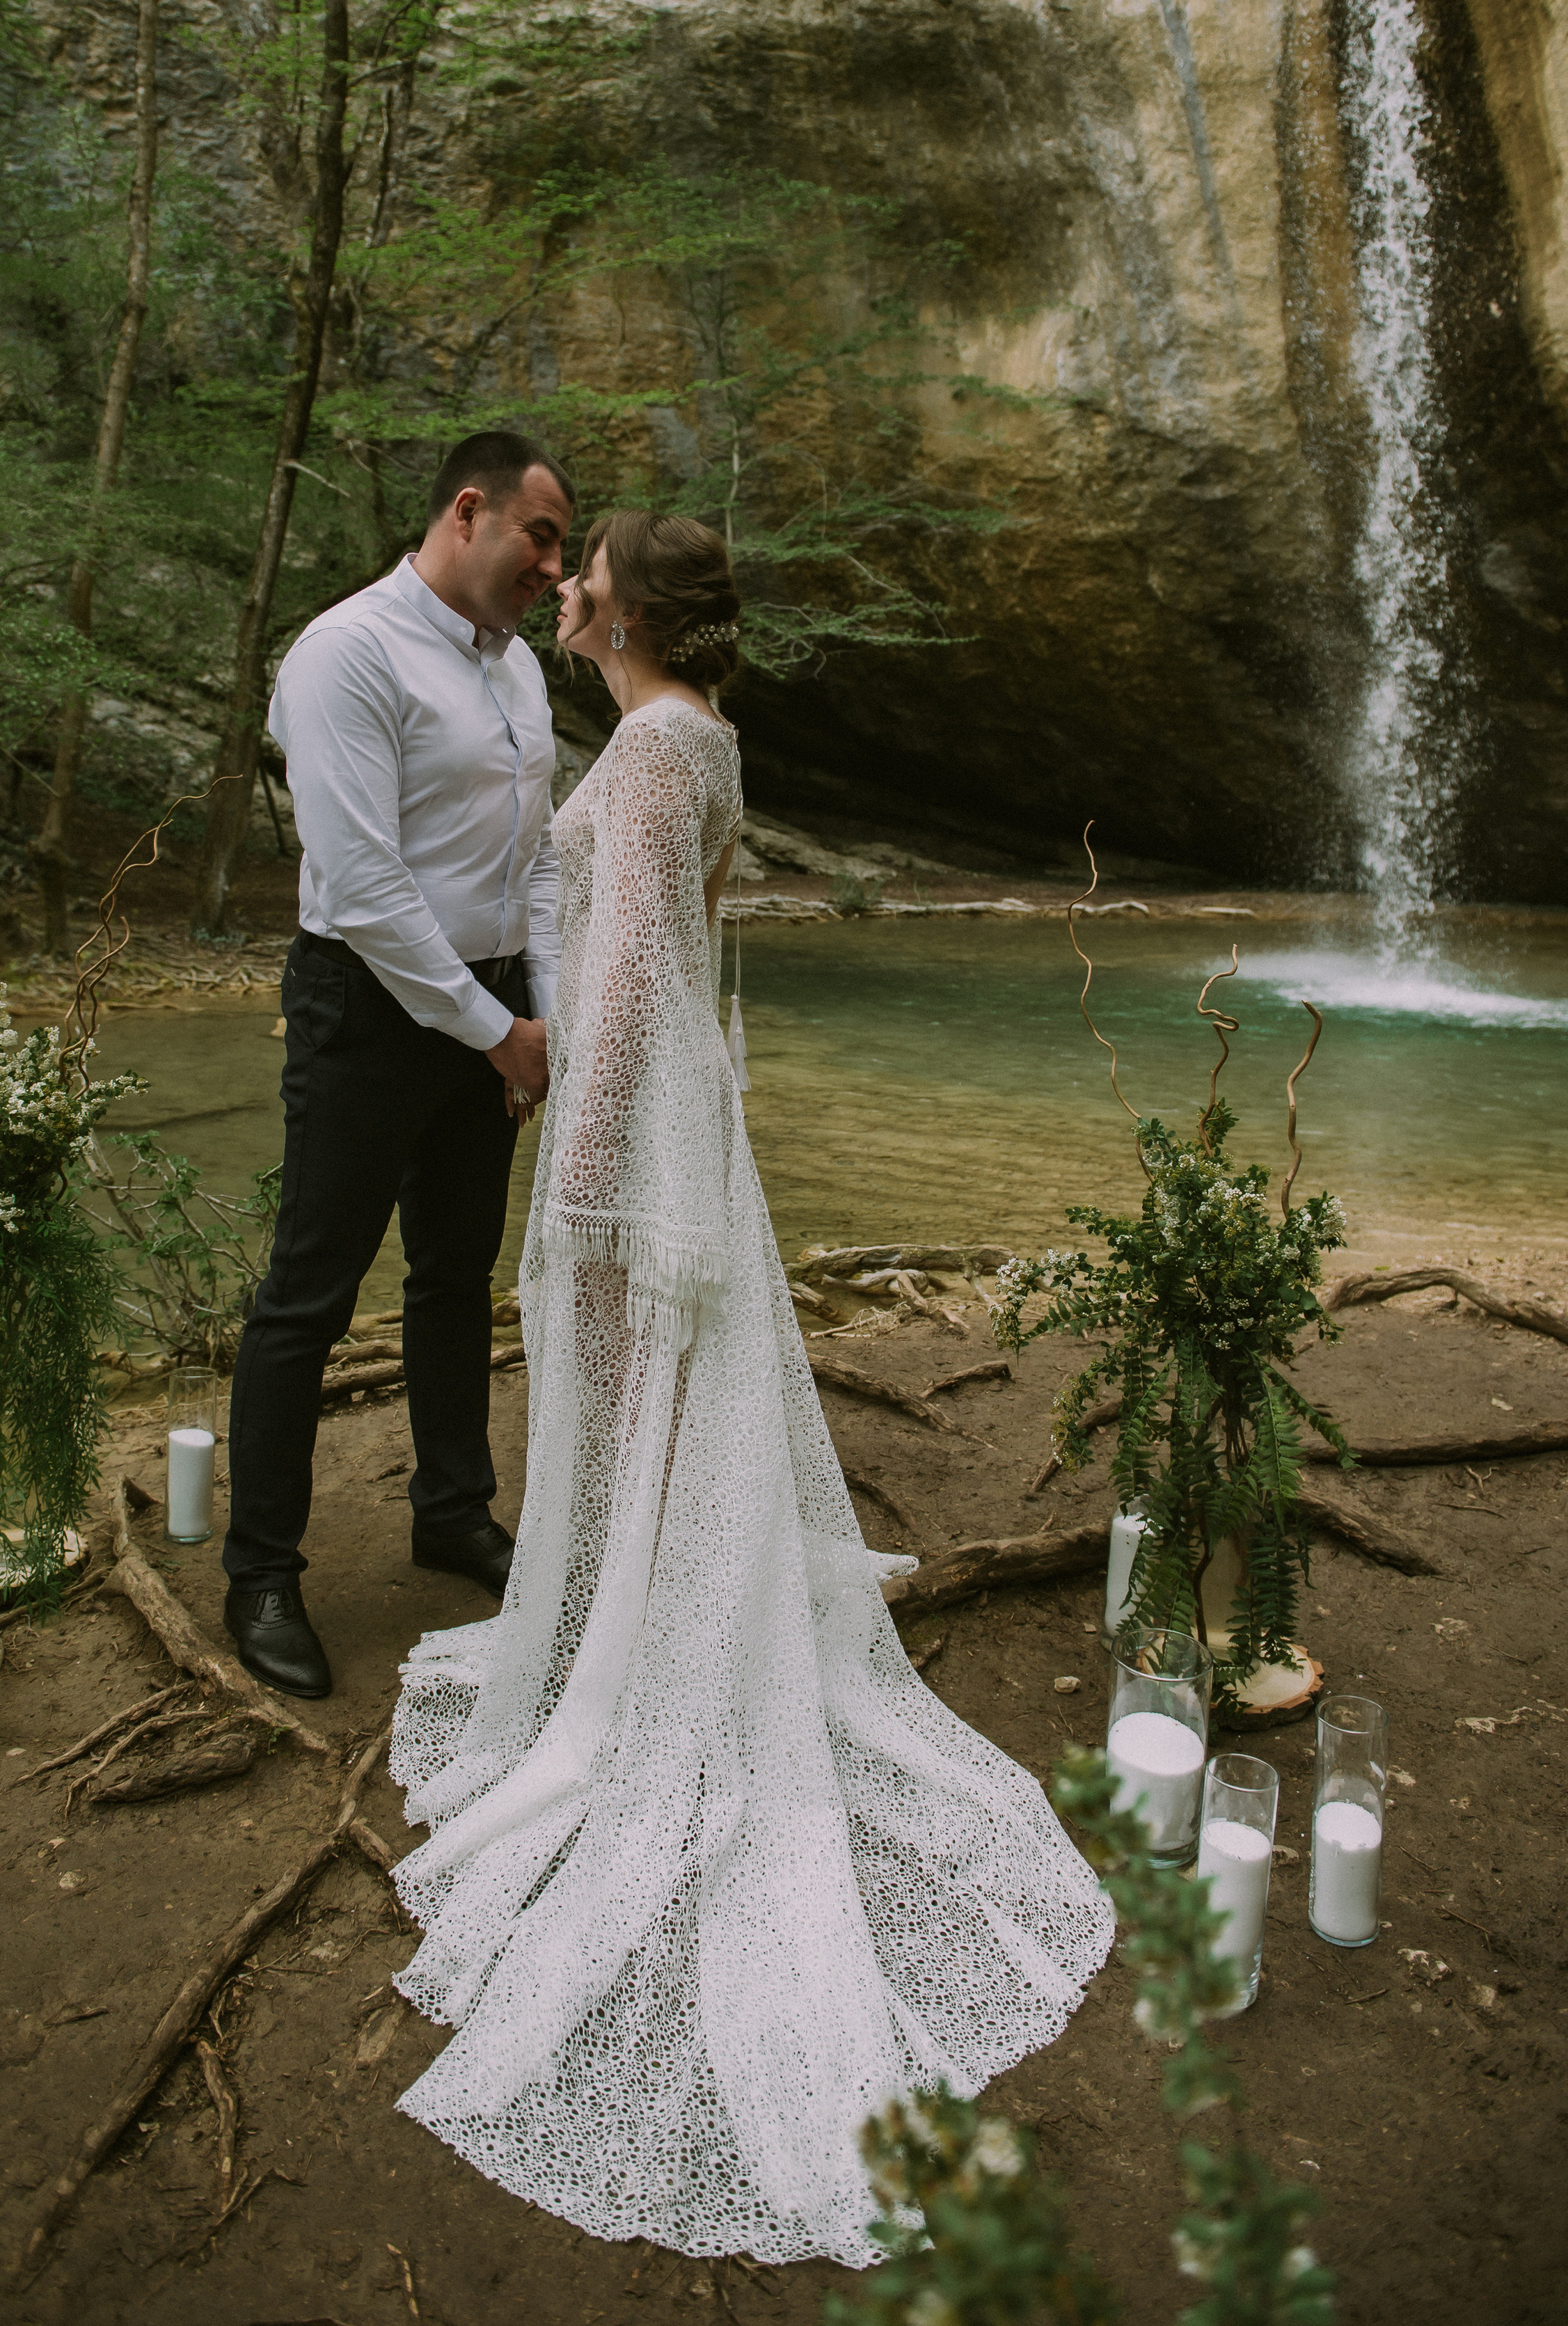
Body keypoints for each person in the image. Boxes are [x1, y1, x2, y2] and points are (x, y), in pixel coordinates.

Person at [386, 511, 1116, 2268]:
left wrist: (592, 1162)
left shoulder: (648, 745)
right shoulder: (700, 740)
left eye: (581, 574)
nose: (559, 588)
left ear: (626, 607)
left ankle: (646, 1674)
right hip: (685, 1116)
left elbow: (635, 966)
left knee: (640, 1403)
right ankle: (648, 1622)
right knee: (661, 1417)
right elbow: (686, 940)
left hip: (638, 1130)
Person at [222, 430, 574, 1699]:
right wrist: (498, 1035)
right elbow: (363, 886)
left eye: (562, 546)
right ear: (466, 511)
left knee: (454, 1273)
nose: (555, 563)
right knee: (308, 1291)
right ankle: (260, 1572)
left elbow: (534, 854)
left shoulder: (525, 672)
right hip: (365, 1009)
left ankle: (453, 1509)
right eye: (539, 535)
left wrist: (529, 1008)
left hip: (491, 1003)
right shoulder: (346, 653)